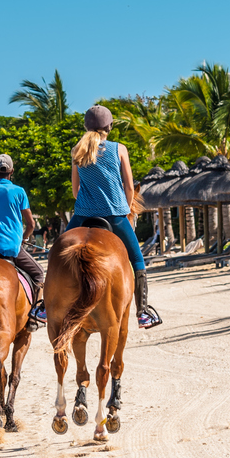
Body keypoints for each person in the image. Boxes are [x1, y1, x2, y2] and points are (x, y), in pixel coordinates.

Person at [67, 105, 161, 329]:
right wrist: (124, 207)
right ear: (109, 126)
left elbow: (75, 189)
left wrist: (88, 204)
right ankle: (143, 312)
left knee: (57, 254)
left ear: (86, 126)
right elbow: (129, 186)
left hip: (82, 215)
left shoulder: (77, 150)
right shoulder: (119, 148)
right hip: (116, 215)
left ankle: (44, 306)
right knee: (137, 260)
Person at [0, 154, 46, 326]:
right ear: (12, 171)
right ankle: (34, 317)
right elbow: (31, 224)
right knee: (38, 273)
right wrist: (23, 238)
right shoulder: (19, 191)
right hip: (11, 248)